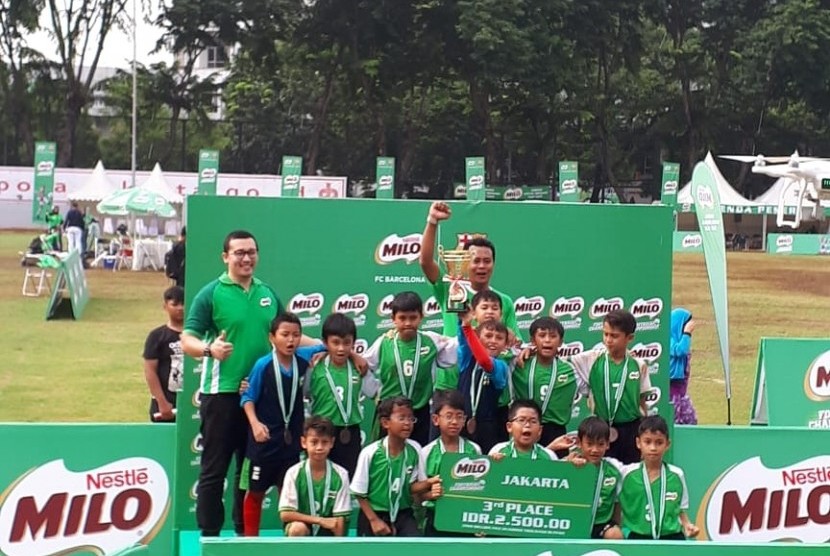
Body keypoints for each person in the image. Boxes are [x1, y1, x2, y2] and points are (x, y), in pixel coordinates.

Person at [181, 229, 286, 537]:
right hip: (222, 396)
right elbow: (187, 338)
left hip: (257, 397)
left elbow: (287, 335)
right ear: (225, 257)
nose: (246, 258)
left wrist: (326, 347)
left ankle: (243, 538)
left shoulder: (267, 293)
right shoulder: (211, 293)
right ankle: (209, 538)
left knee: (247, 473)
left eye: (251, 252)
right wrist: (208, 350)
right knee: (214, 471)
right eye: (239, 252)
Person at [239, 313, 326, 536]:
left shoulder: (304, 357)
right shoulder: (263, 365)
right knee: (255, 492)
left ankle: (289, 540)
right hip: (264, 440)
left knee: (288, 494)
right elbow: (247, 397)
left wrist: (355, 357)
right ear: (272, 337)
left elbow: (331, 346)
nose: (290, 341)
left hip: (291, 441)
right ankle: (251, 543)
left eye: (296, 335)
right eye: (285, 335)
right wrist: (255, 424)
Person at [419, 201, 520, 391]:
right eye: (476, 261)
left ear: (494, 264)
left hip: (487, 386)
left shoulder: (504, 301)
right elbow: (425, 262)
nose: (482, 266)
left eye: (487, 261)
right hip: (450, 383)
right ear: (465, 263)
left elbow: (514, 344)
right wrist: (432, 221)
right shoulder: (451, 289)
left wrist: (511, 336)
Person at [364, 291, 457, 446]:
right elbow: (363, 366)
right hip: (389, 413)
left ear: (421, 317)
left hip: (418, 412)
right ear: (393, 319)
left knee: (417, 458)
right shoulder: (383, 343)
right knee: (382, 455)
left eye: (413, 318)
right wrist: (374, 392)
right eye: (402, 318)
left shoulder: (431, 341)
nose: (408, 323)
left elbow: (456, 347)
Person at [569, 309, 652, 464]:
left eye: (614, 336)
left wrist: (643, 433)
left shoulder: (638, 365)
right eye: (605, 334)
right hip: (600, 428)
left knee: (627, 473)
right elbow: (566, 362)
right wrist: (587, 391)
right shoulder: (592, 359)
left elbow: (642, 401)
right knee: (598, 473)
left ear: (630, 338)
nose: (608, 340)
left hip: (630, 429)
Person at [352, 396, 440, 537]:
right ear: (386, 422)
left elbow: (412, 487)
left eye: (411, 419)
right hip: (374, 513)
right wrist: (374, 520)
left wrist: (431, 482)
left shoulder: (415, 449)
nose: (407, 423)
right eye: (402, 418)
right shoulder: (370, 452)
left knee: (416, 543)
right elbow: (358, 492)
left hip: (402, 514)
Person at [307, 313, 372, 476]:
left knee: (348, 480)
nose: (341, 348)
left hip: (350, 433)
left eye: (346, 343)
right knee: (320, 478)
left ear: (353, 343)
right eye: (335, 343)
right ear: (325, 343)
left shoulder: (359, 367)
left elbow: (376, 392)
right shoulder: (314, 367)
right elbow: (302, 393)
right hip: (321, 433)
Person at [619, 415, 699, 540]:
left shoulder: (677, 475)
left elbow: (680, 509)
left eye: (659, 442)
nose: (653, 448)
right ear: (638, 443)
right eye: (647, 442)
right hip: (637, 536)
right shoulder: (626, 474)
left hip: (671, 536)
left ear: (667, 444)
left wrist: (687, 524)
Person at [511, 316, 580, 451]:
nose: (547, 340)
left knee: (554, 471)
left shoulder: (571, 369)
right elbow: (495, 353)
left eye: (553, 336)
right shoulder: (518, 363)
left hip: (555, 432)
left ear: (561, 342)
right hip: (524, 428)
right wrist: (523, 350)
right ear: (533, 340)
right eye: (542, 335)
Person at [278, 416, 352, 537]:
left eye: (324, 442)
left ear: (332, 443)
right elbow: (285, 514)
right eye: (314, 442)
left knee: (339, 523)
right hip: (305, 529)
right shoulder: (293, 473)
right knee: (297, 528)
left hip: (328, 532)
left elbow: (340, 519)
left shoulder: (341, 474)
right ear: (304, 442)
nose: (319, 447)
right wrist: (320, 520)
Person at [421, 389, 481, 536]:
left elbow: (482, 487)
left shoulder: (474, 450)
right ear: (436, 419)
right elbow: (417, 494)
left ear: (465, 419)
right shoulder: (426, 452)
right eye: (449, 416)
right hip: (435, 518)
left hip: (466, 519)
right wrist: (430, 495)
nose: (454, 422)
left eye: (459, 417)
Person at [458, 311, 509, 454]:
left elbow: (484, 361)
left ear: (505, 345)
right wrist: (463, 321)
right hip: (460, 425)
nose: (493, 341)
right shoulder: (466, 360)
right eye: (488, 336)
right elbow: (463, 339)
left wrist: (468, 328)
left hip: (488, 428)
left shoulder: (501, 366)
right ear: (477, 339)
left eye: (499, 338)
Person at [567, 416, 624, 540]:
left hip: (602, 525)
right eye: (589, 444)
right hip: (574, 523)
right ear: (579, 443)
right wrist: (568, 466)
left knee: (615, 534)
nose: (595, 450)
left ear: (608, 444)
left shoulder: (614, 469)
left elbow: (617, 503)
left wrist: (616, 525)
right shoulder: (569, 465)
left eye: (600, 444)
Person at [142, 286, 184, 422]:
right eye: (175, 304)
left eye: (183, 304)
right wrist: (161, 402)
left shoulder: (199, 335)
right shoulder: (157, 336)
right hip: (167, 402)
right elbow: (150, 370)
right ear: (165, 306)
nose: (180, 308)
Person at [488, 399, 557, 460]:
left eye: (533, 421)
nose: (527, 425)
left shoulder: (549, 457)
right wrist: (495, 464)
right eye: (521, 420)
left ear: (540, 430)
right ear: (509, 427)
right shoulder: (498, 450)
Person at [670, 308, 697, 425]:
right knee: (677, 418)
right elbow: (680, 351)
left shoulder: (677, 339)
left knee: (689, 420)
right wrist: (687, 334)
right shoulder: (669, 339)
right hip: (672, 385)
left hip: (681, 387)